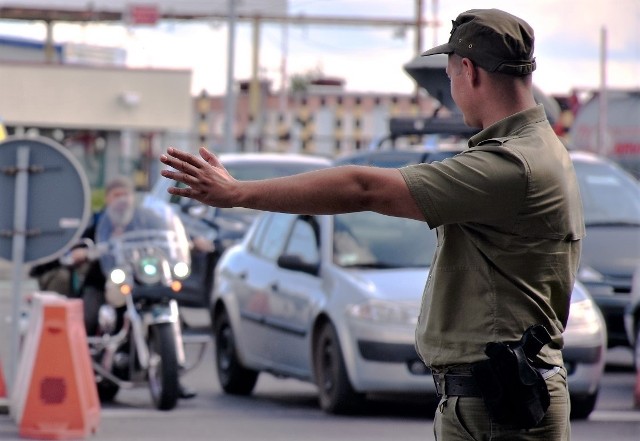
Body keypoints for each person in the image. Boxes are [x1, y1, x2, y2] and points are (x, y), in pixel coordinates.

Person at [160, 9, 583, 440]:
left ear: (469, 72)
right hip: (506, 394)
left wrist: (238, 193)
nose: (453, 89)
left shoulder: (511, 164)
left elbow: (363, 188)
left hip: (499, 407)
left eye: (452, 76)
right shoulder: (541, 150)